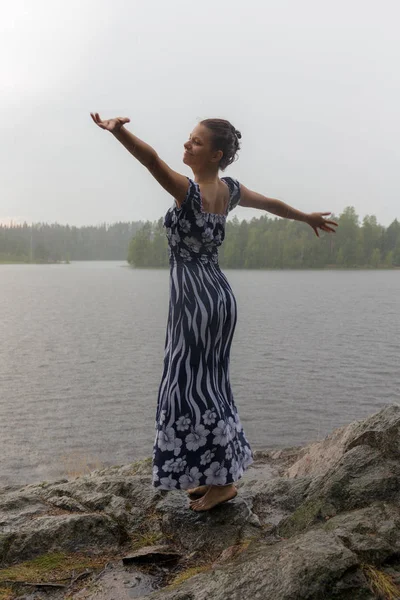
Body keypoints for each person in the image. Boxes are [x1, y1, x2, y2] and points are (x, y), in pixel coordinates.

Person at [90, 113, 338, 512]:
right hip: (218, 297)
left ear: (216, 154)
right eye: (188, 138)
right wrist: (306, 217)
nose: (187, 145)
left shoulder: (189, 192)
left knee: (186, 385)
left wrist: (118, 132)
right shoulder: (229, 191)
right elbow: (271, 204)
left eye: (197, 142)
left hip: (194, 300)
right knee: (208, 384)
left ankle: (221, 482)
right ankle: (207, 474)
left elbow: (150, 160)